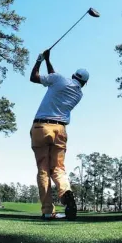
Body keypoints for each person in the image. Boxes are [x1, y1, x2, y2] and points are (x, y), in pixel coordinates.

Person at [29, 49, 86, 220]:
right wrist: (48, 60)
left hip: (41, 127)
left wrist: (39, 60)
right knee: (58, 169)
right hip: (60, 130)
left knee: (43, 170)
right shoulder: (78, 93)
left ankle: (47, 211)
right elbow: (54, 77)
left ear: (73, 75)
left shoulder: (59, 79)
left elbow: (34, 77)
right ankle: (65, 192)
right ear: (84, 83)